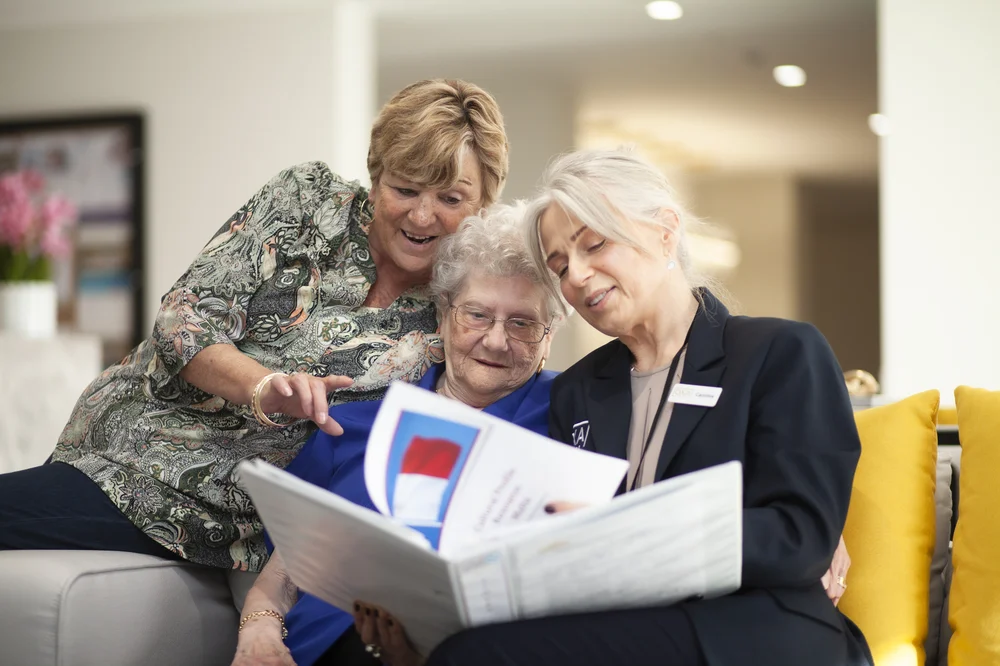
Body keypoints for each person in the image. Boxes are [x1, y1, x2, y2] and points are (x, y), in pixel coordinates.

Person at [349, 149, 874, 666]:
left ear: (665, 232)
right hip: (625, 626)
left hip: (754, 630)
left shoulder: (780, 353)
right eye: (559, 265)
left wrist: (630, 529)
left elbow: (800, 538)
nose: (575, 275)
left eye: (594, 245)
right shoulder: (577, 390)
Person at [0, 79, 509, 572]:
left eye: (450, 199)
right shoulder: (306, 200)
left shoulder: (463, 308)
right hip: (127, 433)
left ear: (483, 206)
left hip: (209, 504)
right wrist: (262, 387)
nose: (422, 216)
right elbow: (184, 317)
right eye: (405, 188)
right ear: (375, 179)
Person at [230, 204, 567, 666]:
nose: (494, 340)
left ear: (548, 336)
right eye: (477, 315)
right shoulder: (353, 425)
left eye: (522, 323)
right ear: (445, 314)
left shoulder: (568, 417)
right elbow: (285, 571)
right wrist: (260, 626)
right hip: (324, 648)